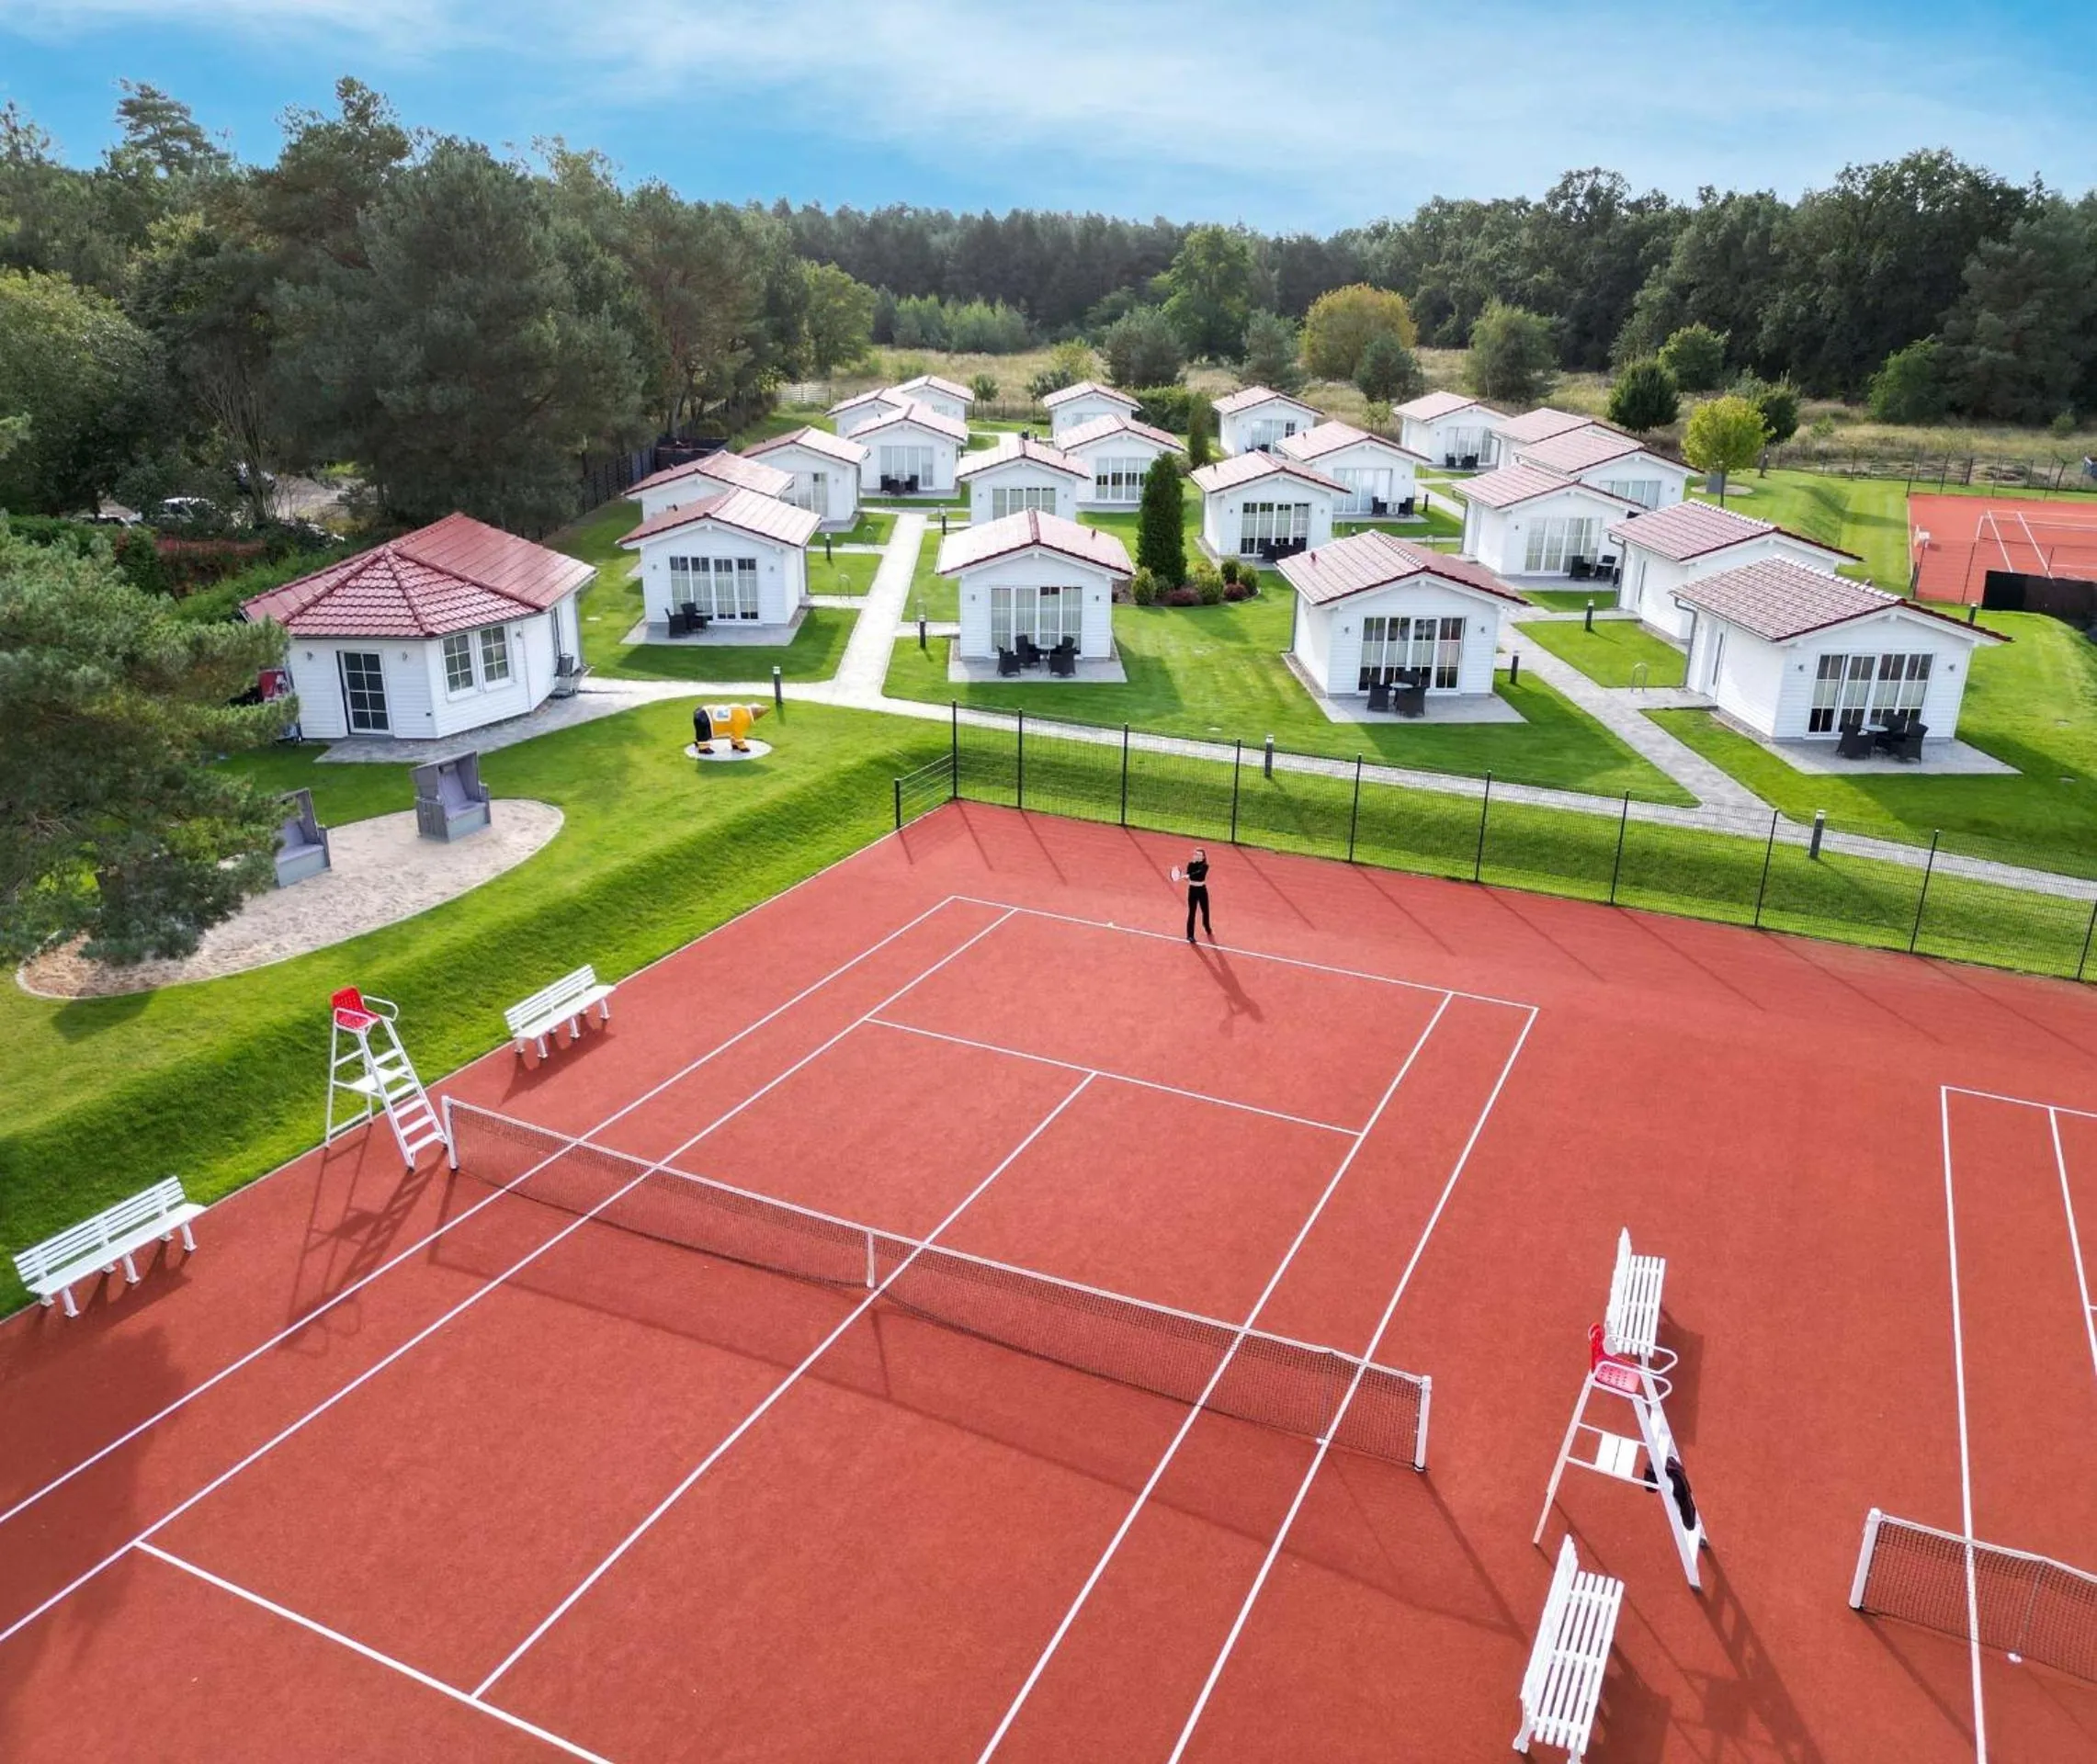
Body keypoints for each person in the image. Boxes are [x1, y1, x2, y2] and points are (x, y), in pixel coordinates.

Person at [1183, 846, 1212, 943]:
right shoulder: (1190, 864)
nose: (1197, 856)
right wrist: (1187, 877)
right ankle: (1190, 935)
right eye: (1195, 854)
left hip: (1202, 890)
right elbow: (1189, 875)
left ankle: (1207, 927)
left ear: (1203, 857)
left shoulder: (1205, 866)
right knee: (1192, 912)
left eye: (1199, 855)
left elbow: (1200, 874)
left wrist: (1189, 875)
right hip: (1192, 890)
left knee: (1205, 911)